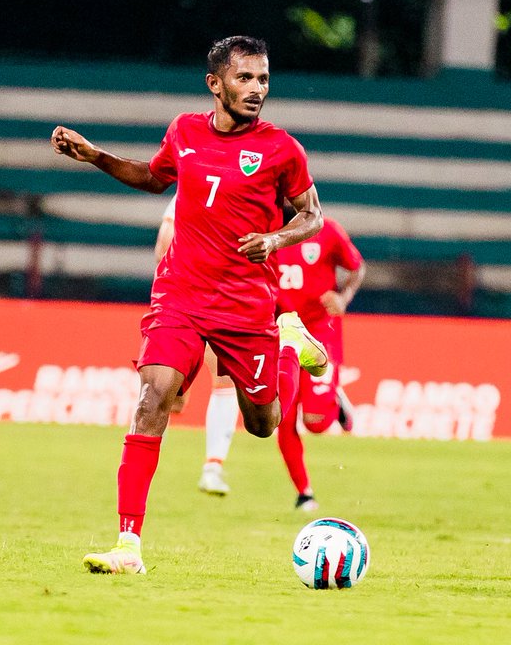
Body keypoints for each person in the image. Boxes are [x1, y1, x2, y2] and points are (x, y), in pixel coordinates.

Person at [51, 35, 329, 575]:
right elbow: (154, 178)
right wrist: (95, 156)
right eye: (245, 78)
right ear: (215, 83)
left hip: (245, 302)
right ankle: (128, 545)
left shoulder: (282, 149)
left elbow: (311, 216)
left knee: (263, 423)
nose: (256, 89)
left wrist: (275, 241)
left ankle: (290, 349)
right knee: (153, 397)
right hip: (180, 292)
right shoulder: (183, 131)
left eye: (264, 79)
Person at [275, 210, 366, 512]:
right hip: (281, 329)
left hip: (319, 329)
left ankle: (334, 398)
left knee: (315, 423)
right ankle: (304, 493)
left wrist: (343, 298)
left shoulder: (327, 230)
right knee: (282, 415)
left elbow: (357, 268)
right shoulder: (263, 231)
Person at [155, 194, 239, 496]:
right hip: (201, 300)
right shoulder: (227, 194)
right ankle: (212, 468)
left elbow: (163, 247)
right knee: (176, 394)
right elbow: (164, 245)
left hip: (188, 301)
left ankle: (209, 467)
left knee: (215, 380)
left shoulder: (189, 192)